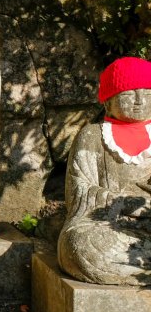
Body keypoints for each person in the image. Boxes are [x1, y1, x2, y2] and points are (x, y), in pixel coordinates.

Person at [58, 57, 151, 286]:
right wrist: (125, 203)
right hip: (104, 225)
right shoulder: (92, 136)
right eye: (129, 94)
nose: (139, 101)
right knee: (79, 246)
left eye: (147, 93)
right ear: (108, 101)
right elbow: (79, 189)